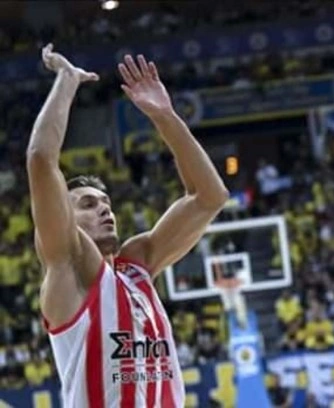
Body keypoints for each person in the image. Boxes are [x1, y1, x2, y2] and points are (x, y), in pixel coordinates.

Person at [27, 44, 229, 407]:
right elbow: (41, 159)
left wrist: (165, 117)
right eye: (88, 205)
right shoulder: (68, 270)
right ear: (65, 217)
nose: (105, 210)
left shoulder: (137, 265)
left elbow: (209, 197)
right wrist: (67, 80)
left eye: (106, 203)